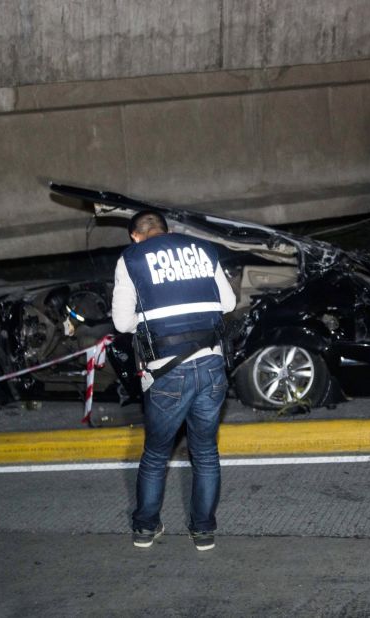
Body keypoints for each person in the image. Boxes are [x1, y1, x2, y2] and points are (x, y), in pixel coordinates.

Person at [111, 209, 237, 551]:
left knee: (155, 454)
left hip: (167, 371)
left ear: (135, 236)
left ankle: (145, 529)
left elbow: (122, 324)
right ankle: (203, 532)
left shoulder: (132, 258)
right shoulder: (202, 248)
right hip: (212, 366)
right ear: (167, 231)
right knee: (206, 453)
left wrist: (150, 316)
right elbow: (228, 302)